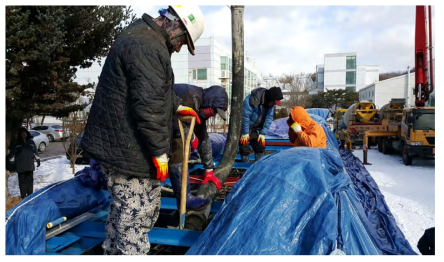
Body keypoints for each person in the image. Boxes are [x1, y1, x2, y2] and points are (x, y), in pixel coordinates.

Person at [80, 6, 206, 255]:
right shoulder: (148, 45)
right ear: (175, 25)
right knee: (136, 219)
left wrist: (177, 106)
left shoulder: (143, 36)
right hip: (129, 151)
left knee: (121, 217)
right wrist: (160, 153)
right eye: (182, 41)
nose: (180, 47)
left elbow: (153, 90)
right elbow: (149, 106)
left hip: (121, 146)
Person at [170, 84, 228, 210]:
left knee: (187, 141)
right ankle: (185, 198)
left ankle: (184, 198)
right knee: (180, 145)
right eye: (214, 111)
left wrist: (209, 169)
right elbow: (173, 120)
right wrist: (191, 137)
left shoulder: (199, 106)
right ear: (209, 102)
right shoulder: (189, 96)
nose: (213, 115)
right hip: (153, 125)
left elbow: (203, 137)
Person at [239, 86, 283, 162]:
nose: (273, 105)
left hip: (256, 128)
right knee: (244, 146)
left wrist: (263, 133)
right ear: (269, 98)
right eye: (273, 102)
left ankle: (259, 166)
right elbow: (245, 117)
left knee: (260, 147)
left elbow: (269, 118)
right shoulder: (251, 100)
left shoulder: (270, 105)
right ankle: (244, 167)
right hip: (243, 126)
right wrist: (245, 133)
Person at [8, 127, 41, 199]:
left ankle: (30, 196)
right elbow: (12, 155)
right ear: (20, 134)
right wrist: (12, 164)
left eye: (25, 132)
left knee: (30, 181)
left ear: (27, 133)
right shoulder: (16, 143)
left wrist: (38, 160)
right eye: (22, 133)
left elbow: (35, 152)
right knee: (22, 182)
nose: (24, 134)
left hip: (30, 166)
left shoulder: (31, 142)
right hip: (21, 166)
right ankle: (23, 196)